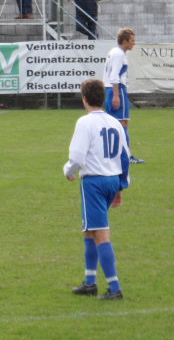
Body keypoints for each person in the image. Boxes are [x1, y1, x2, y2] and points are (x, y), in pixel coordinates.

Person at [64, 77, 130, 300]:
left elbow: (76, 157)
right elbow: (124, 157)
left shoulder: (85, 122)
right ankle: (90, 282)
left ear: (84, 99)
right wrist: (121, 186)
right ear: (103, 98)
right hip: (112, 180)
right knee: (89, 230)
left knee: (100, 233)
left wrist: (68, 170)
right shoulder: (115, 123)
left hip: (94, 183)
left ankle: (114, 287)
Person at [104, 28, 143, 164]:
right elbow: (114, 76)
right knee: (122, 123)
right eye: (132, 40)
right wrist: (116, 95)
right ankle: (126, 156)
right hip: (117, 89)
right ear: (125, 41)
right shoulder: (118, 54)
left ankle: (114, 154)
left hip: (111, 89)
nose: (134, 43)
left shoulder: (115, 53)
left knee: (116, 124)